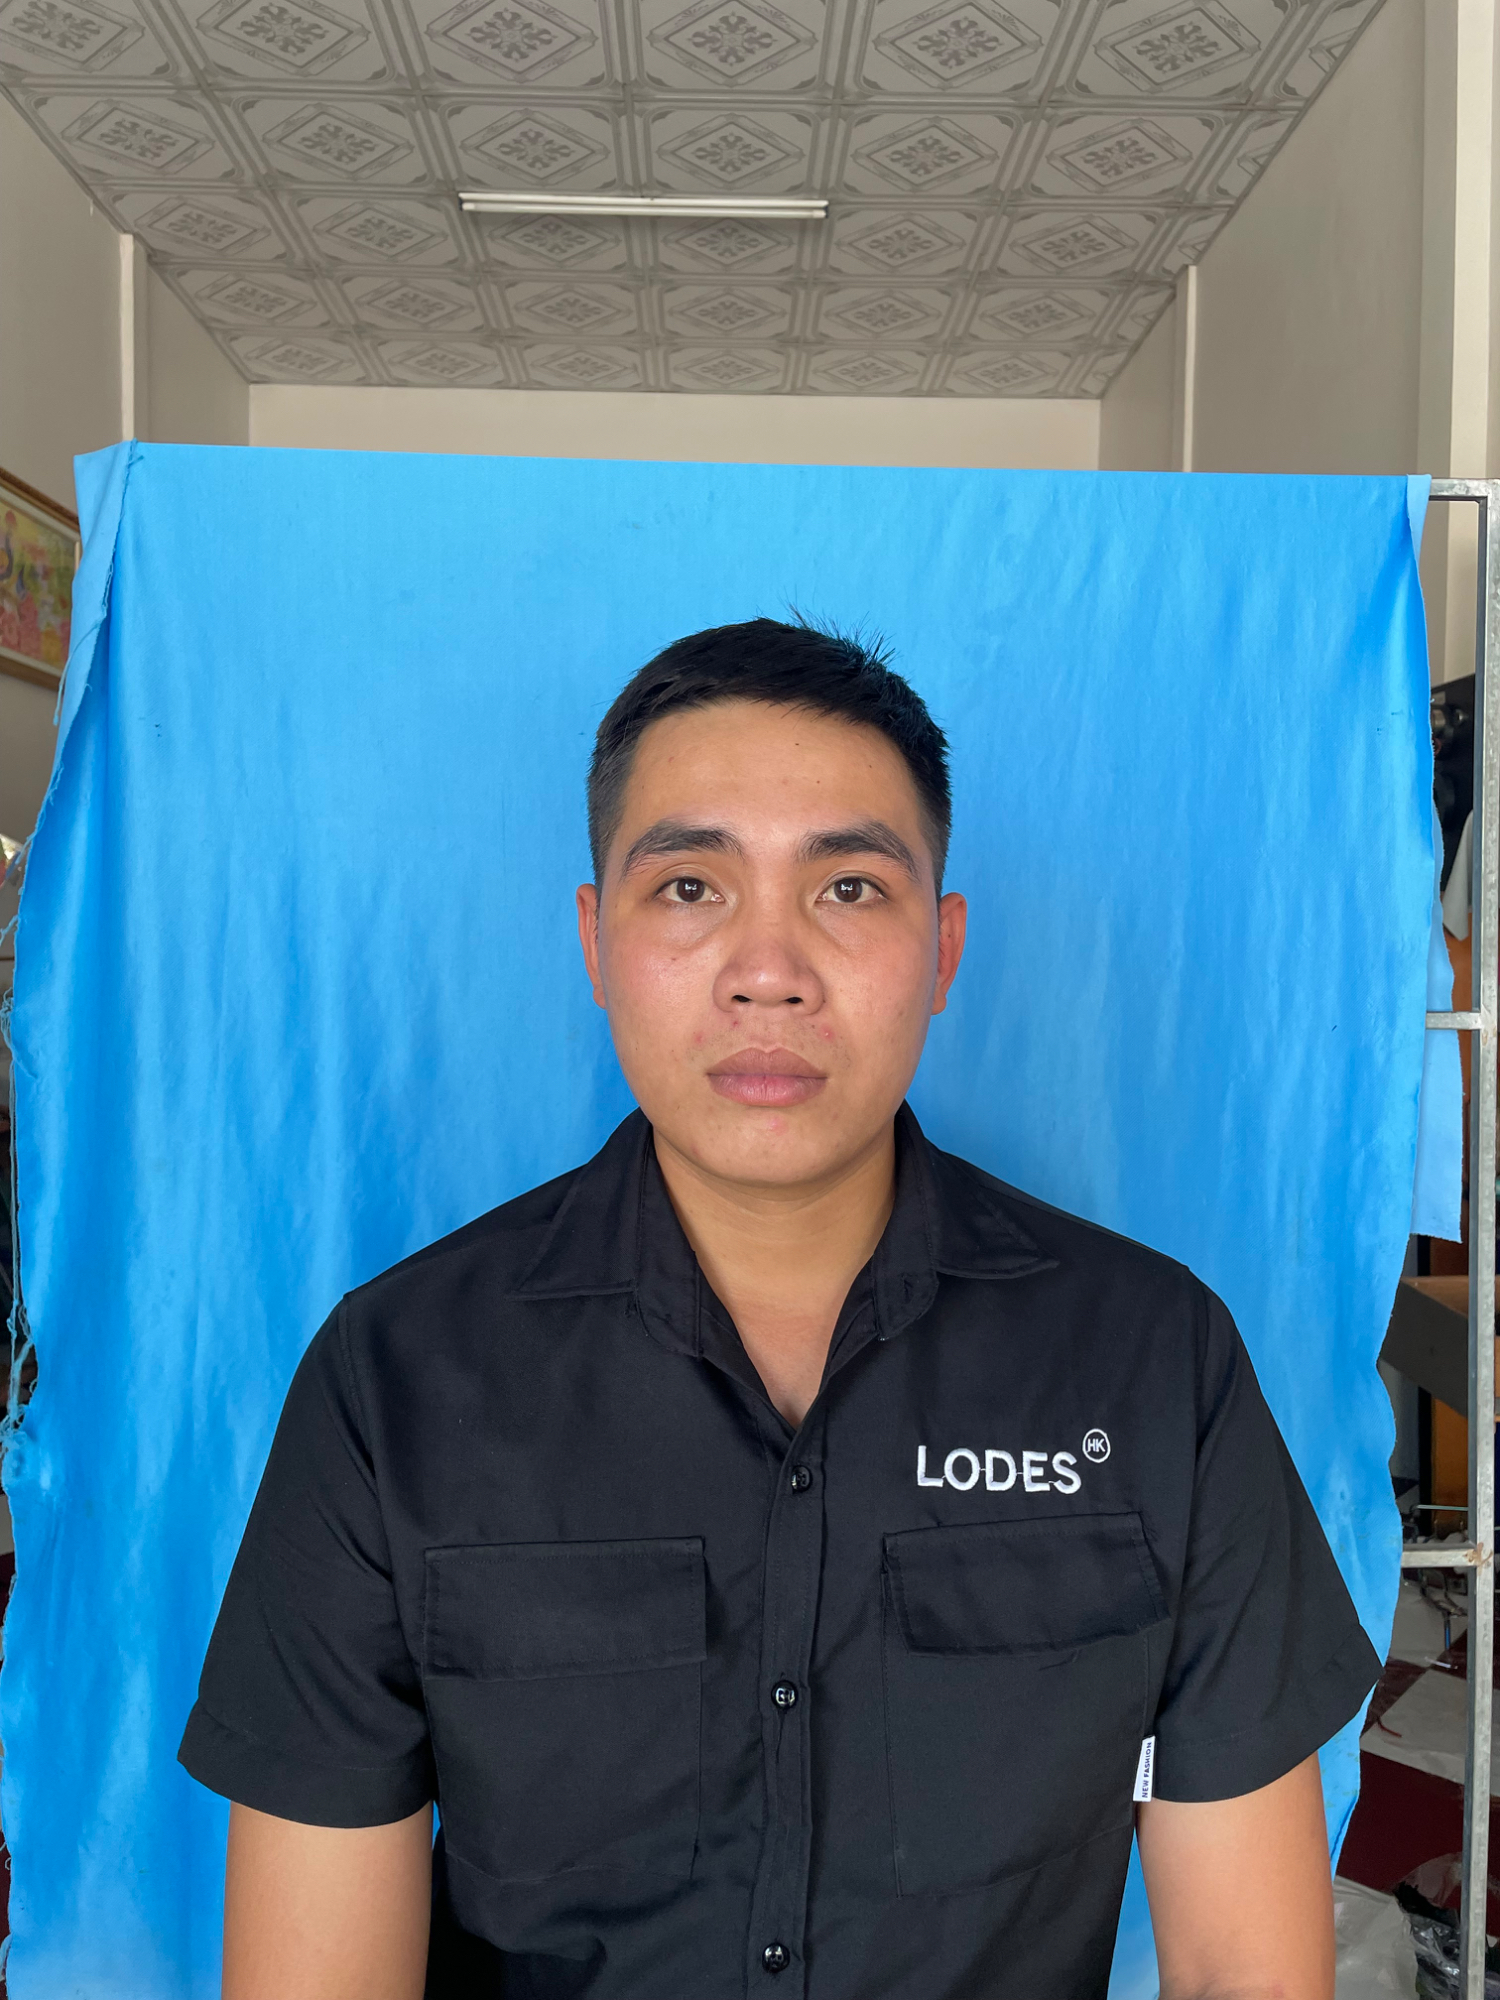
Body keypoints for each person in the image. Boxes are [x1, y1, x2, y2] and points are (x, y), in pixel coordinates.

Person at [180, 618, 1380, 2000]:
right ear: (595, 941)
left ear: (943, 950)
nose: (769, 968)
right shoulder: (394, 1381)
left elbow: (1245, 1967)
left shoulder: (1155, 1362)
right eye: (689, 886)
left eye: (849, 888)